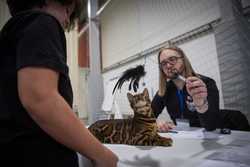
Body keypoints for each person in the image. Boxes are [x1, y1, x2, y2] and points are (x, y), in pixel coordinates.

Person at [0, 0, 118, 167]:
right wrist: (101, 154)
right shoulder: (42, 22)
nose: (67, 20)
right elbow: (40, 99)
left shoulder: (13, 30)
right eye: (67, 11)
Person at [151, 45, 250, 132]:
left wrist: (200, 104)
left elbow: (210, 126)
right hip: (185, 138)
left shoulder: (205, 83)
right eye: (163, 63)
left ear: (183, 60)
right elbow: (145, 118)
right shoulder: (164, 90)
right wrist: (156, 124)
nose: (168, 65)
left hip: (213, 135)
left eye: (172, 59)